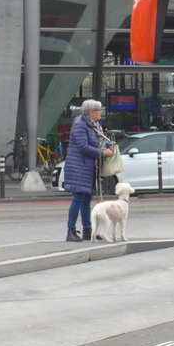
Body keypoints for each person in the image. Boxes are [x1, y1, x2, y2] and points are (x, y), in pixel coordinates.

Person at [63, 99, 117, 241]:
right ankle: (71, 231)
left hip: (88, 166)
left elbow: (100, 139)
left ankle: (88, 230)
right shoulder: (80, 125)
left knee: (87, 198)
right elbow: (83, 146)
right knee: (78, 198)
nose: (100, 112)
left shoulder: (94, 124)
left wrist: (109, 145)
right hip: (78, 166)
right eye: (98, 110)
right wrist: (102, 153)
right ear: (90, 112)